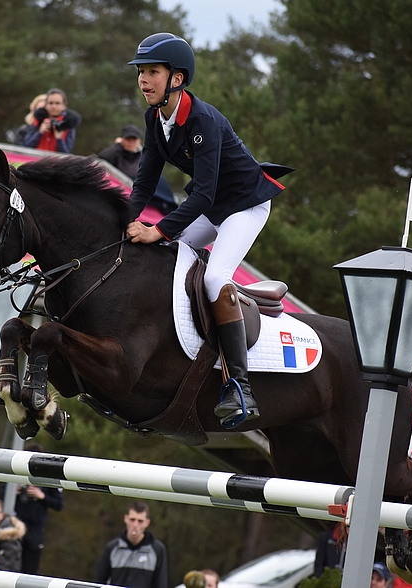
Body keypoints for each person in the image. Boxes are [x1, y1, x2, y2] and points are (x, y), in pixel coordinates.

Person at [124, 32, 293, 428]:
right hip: (213, 204)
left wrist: (159, 230)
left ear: (177, 79)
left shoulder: (202, 120)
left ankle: (239, 386)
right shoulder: (154, 119)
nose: (143, 80)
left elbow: (201, 195)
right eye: (141, 73)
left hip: (245, 205)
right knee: (167, 261)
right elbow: (144, 184)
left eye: (152, 72)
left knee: (215, 276)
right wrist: (125, 223)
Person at [98, 124, 177, 214]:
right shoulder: (116, 153)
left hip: (146, 188)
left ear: (139, 141)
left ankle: (168, 206)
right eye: (128, 139)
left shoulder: (144, 156)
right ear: (122, 140)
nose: (131, 142)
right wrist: (117, 146)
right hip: (127, 190)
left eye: (134, 139)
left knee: (161, 181)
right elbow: (102, 159)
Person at [12, 442, 63, 574]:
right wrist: (13, 491)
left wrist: (42, 496)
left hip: (36, 530)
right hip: (14, 526)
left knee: (31, 570)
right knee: (10, 567)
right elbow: (0, 497)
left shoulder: (48, 476)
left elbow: (58, 504)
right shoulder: (15, 473)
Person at [94, 501, 168, 588]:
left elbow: (161, 584)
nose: (135, 525)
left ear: (147, 523)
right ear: (126, 519)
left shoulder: (157, 550)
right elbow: (98, 582)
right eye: (132, 520)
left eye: (140, 521)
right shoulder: (112, 548)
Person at [22, 88, 81, 153]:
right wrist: (40, 132)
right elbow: (26, 146)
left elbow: (66, 153)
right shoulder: (38, 121)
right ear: (45, 105)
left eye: (57, 103)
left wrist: (59, 138)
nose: (54, 106)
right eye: (50, 103)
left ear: (64, 105)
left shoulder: (68, 125)